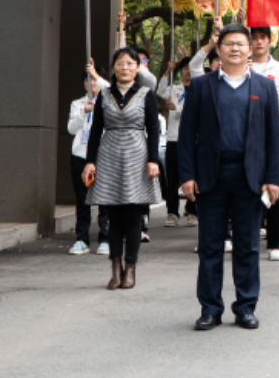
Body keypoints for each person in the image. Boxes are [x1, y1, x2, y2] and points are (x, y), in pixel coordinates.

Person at [177, 25, 279, 330]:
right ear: (219, 49)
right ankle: (210, 309)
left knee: (248, 245)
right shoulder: (202, 86)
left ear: (250, 49)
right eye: (228, 44)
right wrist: (187, 175)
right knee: (210, 245)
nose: (235, 48)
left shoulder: (265, 87)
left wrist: (273, 178)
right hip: (210, 176)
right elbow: (187, 135)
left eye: (240, 44)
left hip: (250, 176)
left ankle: (245, 307)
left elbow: (274, 137)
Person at [81, 48, 162, 290]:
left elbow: (154, 129)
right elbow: (96, 130)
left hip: (137, 155)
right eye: (119, 63)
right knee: (113, 215)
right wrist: (90, 161)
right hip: (109, 154)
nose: (124, 67)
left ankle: (131, 268)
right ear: (113, 67)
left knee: (134, 216)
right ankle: (115, 270)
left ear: (137, 67)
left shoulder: (145, 94)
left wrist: (153, 160)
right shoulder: (105, 95)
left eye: (129, 63)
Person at [246, 26, 279, 258]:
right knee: (248, 188)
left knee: (276, 186)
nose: (258, 42)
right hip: (245, 135)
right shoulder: (240, 66)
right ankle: (248, 239)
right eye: (254, 38)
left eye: (263, 38)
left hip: (273, 134)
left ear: (270, 41)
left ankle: (276, 243)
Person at [66, 69, 112, 254]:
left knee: (105, 199)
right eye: (87, 80)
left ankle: (105, 239)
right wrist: (84, 112)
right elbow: (71, 129)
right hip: (80, 155)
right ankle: (82, 239)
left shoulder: (109, 101)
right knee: (82, 199)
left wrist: (96, 77)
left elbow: (110, 88)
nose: (91, 84)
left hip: (103, 156)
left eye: (94, 80)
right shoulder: (77, 103)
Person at [156, 62, 197, 228]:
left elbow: (195, 112)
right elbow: (160, 90)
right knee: (172, 177)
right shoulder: (174, 89)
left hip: (193, 139)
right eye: (185, 68)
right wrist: (168, 71)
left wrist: (177, 109)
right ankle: (172, 212)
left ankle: (192, 210)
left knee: (194, 176)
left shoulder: (199, 89)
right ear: (180, 71)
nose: (188, 71)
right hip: (174, 138)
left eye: (190, 68)